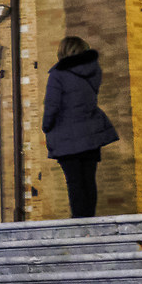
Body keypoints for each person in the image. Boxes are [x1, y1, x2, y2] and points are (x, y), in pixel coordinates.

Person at [42, 36, 120, 219]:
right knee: (88, 179)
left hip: (67, 136)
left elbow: (52, 105)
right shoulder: (93, 71)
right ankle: (89, 217)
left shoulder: (58, 74)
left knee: (74, 180)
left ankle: (80, 219)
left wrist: (46, 126)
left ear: (63, 51)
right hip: (91, 132)